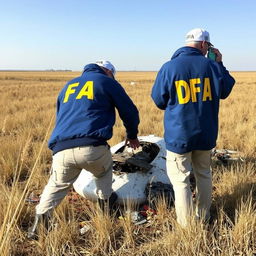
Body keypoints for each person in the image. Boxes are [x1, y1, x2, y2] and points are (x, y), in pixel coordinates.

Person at [28, 60, 140, 239]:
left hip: (61, 149)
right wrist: (132, 135)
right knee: (103, 172)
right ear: (108, 72)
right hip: (92, 147)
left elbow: (61, 115)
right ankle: (105, 208)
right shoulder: (107, 82)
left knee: (56, 185)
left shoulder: (68, 85)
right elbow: (129, 111)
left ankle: (37, 227)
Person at [151, 28, 235, 227]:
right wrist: (219, 63)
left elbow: (158, 101)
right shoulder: (212, 66)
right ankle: (203, 216)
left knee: (181, 181)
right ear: (204, 45)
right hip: (206, 135)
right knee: (204, 174)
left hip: (178, 136)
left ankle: (186, 225)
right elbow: (226, 90)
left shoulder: (169, 67)